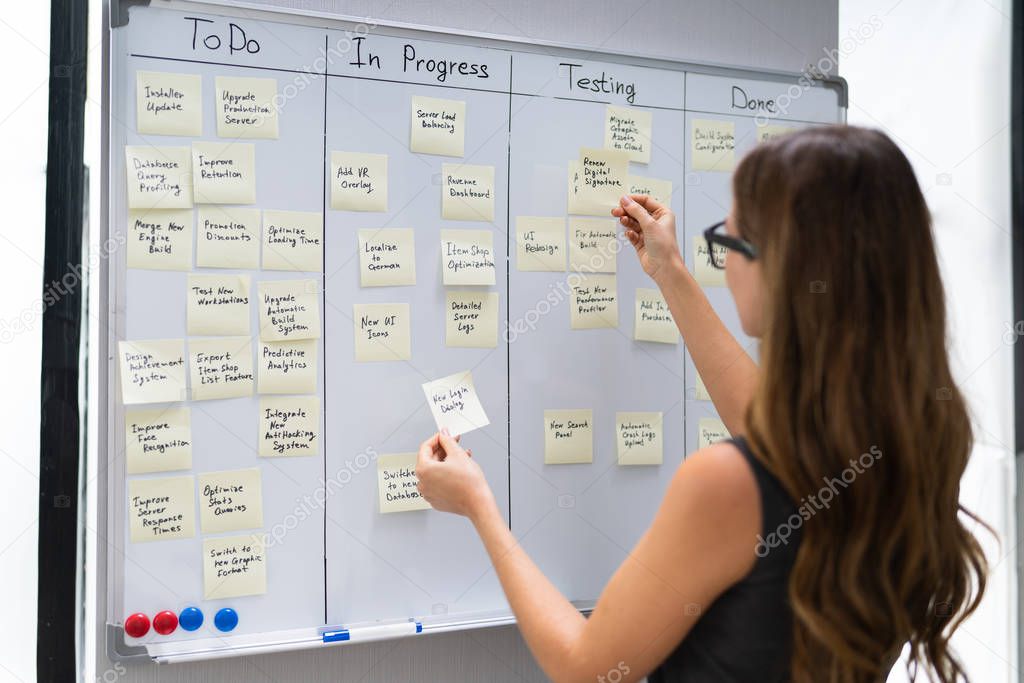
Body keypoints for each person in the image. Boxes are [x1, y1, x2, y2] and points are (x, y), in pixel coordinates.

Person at [416, 126, 988, 682]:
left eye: (730, 240)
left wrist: (479, 507)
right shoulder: (917, 439)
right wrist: (668, 269)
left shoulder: (726, 484)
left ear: (785, 268)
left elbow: (586, 667)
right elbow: (771, 430)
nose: (727, 261)